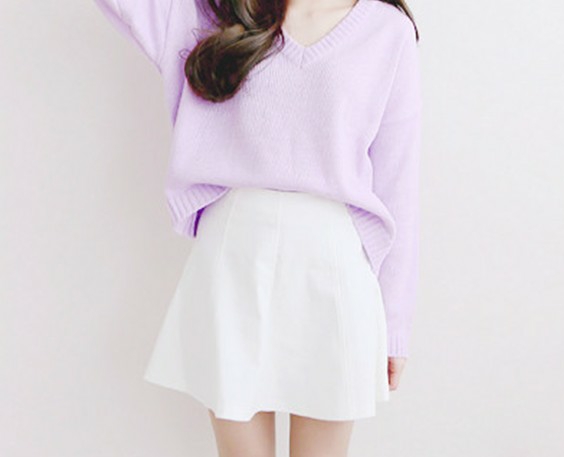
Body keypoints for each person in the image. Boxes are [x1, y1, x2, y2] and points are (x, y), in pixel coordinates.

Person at [93, 0, 422, 455]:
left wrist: (395, 324)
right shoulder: (215, 15)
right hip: (234, 260)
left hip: (334, 267)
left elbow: (398, 185)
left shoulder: (387, 31)